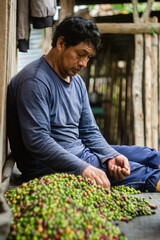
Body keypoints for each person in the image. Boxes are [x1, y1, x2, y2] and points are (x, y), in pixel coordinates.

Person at [7, 16, 160, 192]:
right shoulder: (34, 81)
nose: (84, 63)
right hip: (48, 167)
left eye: (88, 57)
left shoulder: (76, 81)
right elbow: (38, 141)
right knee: (143, 173)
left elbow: (89, 130)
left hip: (80, 152)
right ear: (61, 43)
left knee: (147, 155)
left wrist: (110, 155)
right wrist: (83, 168)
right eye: (80, 54)